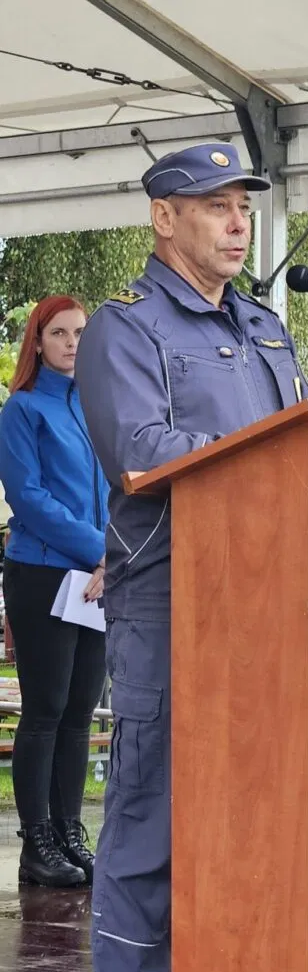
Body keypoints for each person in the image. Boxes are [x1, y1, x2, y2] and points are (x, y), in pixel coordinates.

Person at [75, 142, 308, 972]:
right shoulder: (125, 327)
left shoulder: (263, 326)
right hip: (172, 600)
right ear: (163, 218)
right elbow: (140, 454)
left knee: (258, 807)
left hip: (272, 598)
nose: (237, 223)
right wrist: (269, 460)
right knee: (152, 816)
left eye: (243, 208)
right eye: (216, 206)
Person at [0, 296, 109, 888]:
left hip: (97, 577)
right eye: (60, 333)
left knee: (79, 710)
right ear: (38, 342)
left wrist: (114, 554)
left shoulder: (97, 407)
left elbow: (120, 486)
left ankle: (69, 833)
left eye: (81, 333)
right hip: (43, 575)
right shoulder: (21, 409)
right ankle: (36, 843)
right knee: (45, 710)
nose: (72, 344)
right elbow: (29, 499)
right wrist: (100, 549)